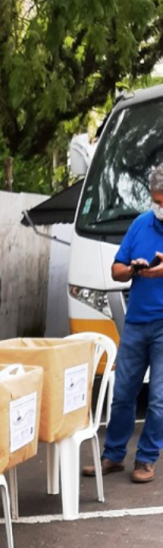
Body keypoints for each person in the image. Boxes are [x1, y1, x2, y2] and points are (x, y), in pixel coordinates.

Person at [84, 163, 163, 484]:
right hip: (136, 323)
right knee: (122, 393)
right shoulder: (141, 225)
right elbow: (117, 268)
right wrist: (131, 268)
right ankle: (113, 456)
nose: (159, 207)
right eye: (156, 200)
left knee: (158, 398)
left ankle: (146, 459)